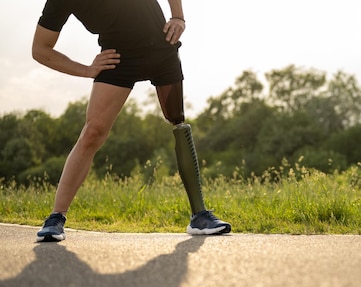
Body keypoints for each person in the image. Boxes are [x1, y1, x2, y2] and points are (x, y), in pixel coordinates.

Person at [32, 0, 231, 242]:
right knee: (93, 131)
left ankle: (200, 216)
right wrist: (86, 69)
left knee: (177, 121)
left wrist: (178, 17)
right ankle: (56, 218)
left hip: (160, 48)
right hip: (117, 59)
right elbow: (41, 49)